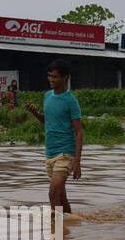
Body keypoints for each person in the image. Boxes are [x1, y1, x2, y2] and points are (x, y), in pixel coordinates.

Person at [25, 60, 82, 214]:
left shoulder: (71, 100)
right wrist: (36, 114)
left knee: (52, 193)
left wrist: (77, 161)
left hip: (65, 154)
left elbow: (78, 132)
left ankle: (56, 230)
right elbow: (47, 122)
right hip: (50, 153)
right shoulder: (47, 96)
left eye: (55, 77)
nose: (51, 79)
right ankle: (69, 228)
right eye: (49, 76)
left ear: (65, 78)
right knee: (61, 198)